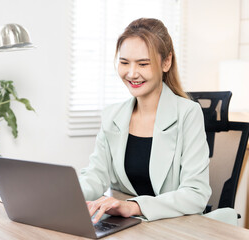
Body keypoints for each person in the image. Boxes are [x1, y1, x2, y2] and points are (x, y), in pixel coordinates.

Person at [79, 18, 212, 224]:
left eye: (143, 64)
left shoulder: (188, 113)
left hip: (175, 227)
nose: (132, 73)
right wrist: (64, 193)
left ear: (166, 62)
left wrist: (133, 206)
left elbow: (196, 194)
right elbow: (95, 175)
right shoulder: (112, 115)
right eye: (124, 62)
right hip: (131, 227)